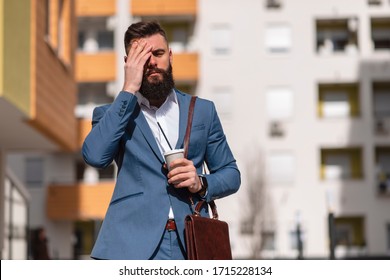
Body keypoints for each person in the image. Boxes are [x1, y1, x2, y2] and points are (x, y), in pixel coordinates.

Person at [82, 21, 240, 260]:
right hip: (129, 245)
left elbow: (231, 174)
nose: (152, 62)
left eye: (158, 53)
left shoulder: (203, 111)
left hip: (191, 243)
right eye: (142, 57)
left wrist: (201, 183)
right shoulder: (112, 114)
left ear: (170, 56)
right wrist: (128, 89)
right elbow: (94, 155)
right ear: (128, 63)